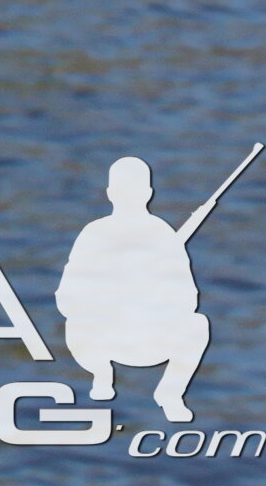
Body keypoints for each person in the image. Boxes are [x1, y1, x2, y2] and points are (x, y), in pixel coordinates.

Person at [59, 155, 214, 423]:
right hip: (112, 339)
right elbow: (189, 299)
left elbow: (66, 298)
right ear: (148, 193)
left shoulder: (157, 236)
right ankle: (102, 374)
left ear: (110, 193)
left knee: (197, 324)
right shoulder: (101, 234)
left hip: (141, 340)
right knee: (197, 325)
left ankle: (168, 393)